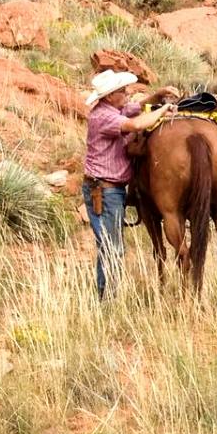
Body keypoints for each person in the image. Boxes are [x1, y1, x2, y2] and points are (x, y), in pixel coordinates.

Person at [82, 70, 166, 298]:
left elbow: (135, 108)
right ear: (109, 96)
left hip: (108, 190)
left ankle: (106, 296)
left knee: (110, 246)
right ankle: (107, 300)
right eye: (122, 91)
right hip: (105, 191)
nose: (127, 93)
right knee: (112, 247)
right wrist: (164, 109)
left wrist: (157, 96)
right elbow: (137, 125)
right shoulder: (104, 117)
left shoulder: (112, 109)